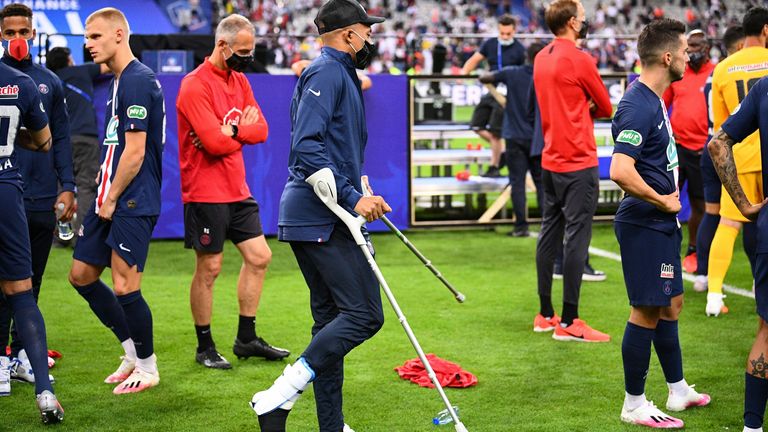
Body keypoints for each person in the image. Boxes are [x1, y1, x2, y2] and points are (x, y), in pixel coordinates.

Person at [249, 1, 390, 431]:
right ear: (349, 35)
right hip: (319, 216)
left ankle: (331, 425)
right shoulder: (327, 72)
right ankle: (278, 395)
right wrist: (352, 197)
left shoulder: (339, 74)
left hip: (322, 216)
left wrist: (359, 191)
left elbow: (329, 149)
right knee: (365, 314)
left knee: (331, 323)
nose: (371, 38)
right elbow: (306, 148)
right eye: (367, 31)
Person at [610, 18, 711, 429]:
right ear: (668, 57)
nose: (690, 57)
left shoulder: (654, 98)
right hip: (645, 222)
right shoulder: (637, 103)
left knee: (671, 306)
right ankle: (634, 403)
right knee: (647, 311)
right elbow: (619, 169)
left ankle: (678, 388)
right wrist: (662, 200)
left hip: (659, 222)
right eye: (686, 51)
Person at [176, 14, 289, 369]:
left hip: (237, 188)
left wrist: (231, 130)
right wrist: (235, 131)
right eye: (241, 51)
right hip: (204, 190)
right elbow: (211, 142)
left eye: (250, 50)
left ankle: (246, 338)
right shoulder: (194, 85)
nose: (246, 57)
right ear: (221, 45)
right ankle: (204, 346)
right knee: (209, 268)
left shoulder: (239, 81)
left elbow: (263, 131)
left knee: (260, 257)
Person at [67, 7, 165, 394]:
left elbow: (136, 152)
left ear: (120, 35)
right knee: (82, 275)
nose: (88, 44)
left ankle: (149, 367)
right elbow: (118, 144)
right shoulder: (119, 81)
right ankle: (131, 353)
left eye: (94, 36)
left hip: (130, 200)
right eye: (86, 38)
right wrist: (103, 176)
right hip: (112, 194)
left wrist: (109, 196)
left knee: (126, 286)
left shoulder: (138, 80)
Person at [0, 3, 74, 382]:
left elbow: (61, 138)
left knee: (33, 280)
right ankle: (4, 355)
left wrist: (69, 186)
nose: (16, 39)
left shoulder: (48, 82)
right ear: (1, 34)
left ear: (34, 34)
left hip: (41, 195)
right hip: (9, 192)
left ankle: (22, 354)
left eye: (22, 32)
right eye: (9, 32)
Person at [532, 0, 612, 342]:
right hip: (578, 160)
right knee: (578, 237)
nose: (585, 21)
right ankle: (570, 320)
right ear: (572, 23)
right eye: (581, 16)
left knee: (549, 233)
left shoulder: (540, 56)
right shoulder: (579, 59)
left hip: (550, 158)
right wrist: (585, 107)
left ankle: (545, 314)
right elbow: (606, 106)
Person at [0, 58, 63, 423]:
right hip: (7, 193)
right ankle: (44, 392)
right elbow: (43, 142)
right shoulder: (21, 82)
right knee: (22, 295)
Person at [708, 74, 768, 432]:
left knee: (766, 331)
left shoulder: (762, 87)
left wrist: (744, 204)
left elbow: (718, 144)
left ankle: (751, 427)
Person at [706, 7, 768, 316]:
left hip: (739, 158)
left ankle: (714, 295)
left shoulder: (723, 68)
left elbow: (721, 129)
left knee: (728, 225)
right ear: (766, 31)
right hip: (767, 154)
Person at [693, 24, 745, 293]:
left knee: (713, 215)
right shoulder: (741, 68)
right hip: (737, 152)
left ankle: (704, 276)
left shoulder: (716, 73)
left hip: (711, 145)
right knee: (738, 220)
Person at [661, 29, 715, 274]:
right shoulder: (678, 72)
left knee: (701, 205)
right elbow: (663, 103)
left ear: (708, 47)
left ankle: (694, 250)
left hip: (703, 149)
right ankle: (664, 249)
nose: (694, 50)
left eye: (699, 45)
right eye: (690, 46)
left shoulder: (716, 72)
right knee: (666, 200)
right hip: (678, 146)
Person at [478, 42, 545, 238]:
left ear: (526, 56)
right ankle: (545, 226)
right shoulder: (544, 76)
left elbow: (484, 77)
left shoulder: (511, 72)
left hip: (514, 136)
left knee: (517, 183)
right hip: (537, 138)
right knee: (541, 184)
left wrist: (500, 97)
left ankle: (521, 227)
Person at [45, 46, 109, 246]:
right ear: (69, 60)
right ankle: (82, 236)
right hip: (86, 139)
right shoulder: (82, 71)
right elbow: (109, 65)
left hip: (59, 142)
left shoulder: (49, 81)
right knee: (86, 187)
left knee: (62, 188)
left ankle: (59, 237)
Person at [461, 14, 525, 177]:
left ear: (514, 31)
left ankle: (494, 166)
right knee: (476, 125)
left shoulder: (519, 49)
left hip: (507, 95)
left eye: (508, 34)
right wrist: (463, 75)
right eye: (501, 33)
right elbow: (474, 60)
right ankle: (502, 151)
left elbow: (524, 74)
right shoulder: (490, 44)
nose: (504, 37)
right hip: (491, 90)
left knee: (496, 133)